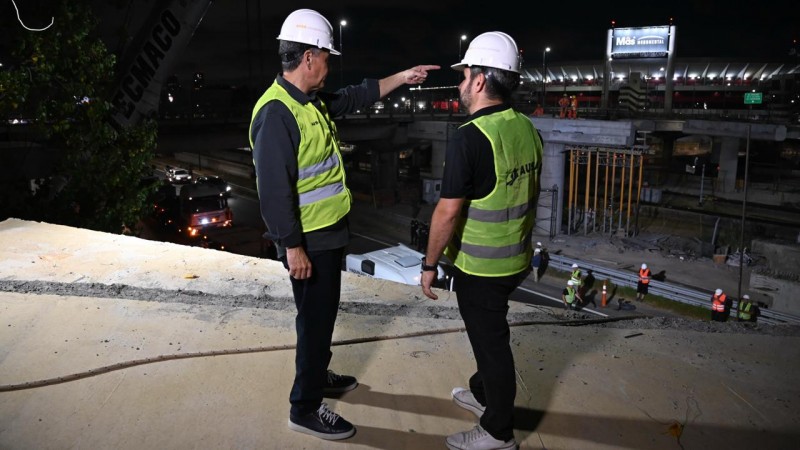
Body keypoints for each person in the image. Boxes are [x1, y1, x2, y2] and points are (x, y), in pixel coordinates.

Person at [249, 8, 439, 441]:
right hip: (310, 242)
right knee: (316, 320)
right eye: (327, 57)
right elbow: (273, 192)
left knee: (318, 317)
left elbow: (356, 96)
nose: (329, 65)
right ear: (310, 57)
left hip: (326, 235)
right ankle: (306, 406)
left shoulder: (309, 101)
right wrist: (291, 246)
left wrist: (401, 77)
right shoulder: (277, 114)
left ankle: (317, 373)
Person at [420, 31, 542, 450]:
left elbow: (447, 211)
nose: (459, 84)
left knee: (492, 345)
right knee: (486, 336)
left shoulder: (471, 137)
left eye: (463, 75)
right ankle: (484, 394)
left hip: (482, 267)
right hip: (516, 259)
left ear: (478, 81)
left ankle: (498, 431)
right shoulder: (526, 128)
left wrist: (429, 264)